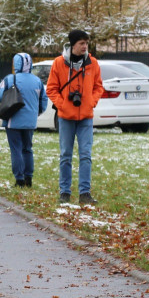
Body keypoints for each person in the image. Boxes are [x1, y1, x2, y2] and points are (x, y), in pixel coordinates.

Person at [46, 29, 104, 205]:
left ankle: (84, 193)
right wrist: (63, 104)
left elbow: (98, 87)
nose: (85, 46)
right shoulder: (58, 63)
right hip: (66, 117)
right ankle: (64, 192)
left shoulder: (92, 63)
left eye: (86, 43)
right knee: (65, 155)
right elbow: (51, 89)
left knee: (86, 155)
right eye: (81, 43)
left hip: (86, 116)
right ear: (72, 45)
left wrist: (91, 102)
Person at [0, 52, 48, 186]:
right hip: (30, 122)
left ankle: (19, 179)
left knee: (16, 149)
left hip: (13, 120)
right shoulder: (37, 81)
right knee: (27, 149)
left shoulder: (10, 79)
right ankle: (29, 178)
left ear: (16, 64)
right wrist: (36, 113)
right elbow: (44, 101)